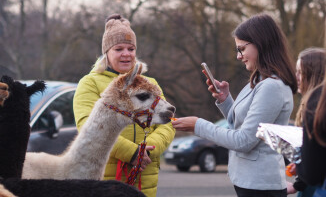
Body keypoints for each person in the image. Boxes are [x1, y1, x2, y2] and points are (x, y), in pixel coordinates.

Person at [172, 13, 297, 197]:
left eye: (241, 49)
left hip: (260, 186)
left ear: (260, 44)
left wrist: (198, 125)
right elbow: (242, 126)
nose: (239, 56)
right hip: (249, 182)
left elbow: (244, 140)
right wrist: (225, 100)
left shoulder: (271, 87)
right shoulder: (258, 82)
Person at [73, 14, 175, 197]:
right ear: (107, 52)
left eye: (131, 48)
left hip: (145, 175)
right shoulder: (90, 83)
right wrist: (131, 153)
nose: (126, 54)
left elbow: (168, 123)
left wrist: (147, 149)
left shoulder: (150, 83)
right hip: (106, 175)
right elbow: (87, 125)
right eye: (119, 49)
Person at [287, 48, 326, 196]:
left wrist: (301, 174)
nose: (295, 76)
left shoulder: (314, 107)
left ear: (313, 75)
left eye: (300, 72)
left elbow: (313, 168)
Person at [295, 70, 326, 195]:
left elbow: (311, 174)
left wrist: (301, 165)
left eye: (301, 72)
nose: (296, 76)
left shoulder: (317, 102)